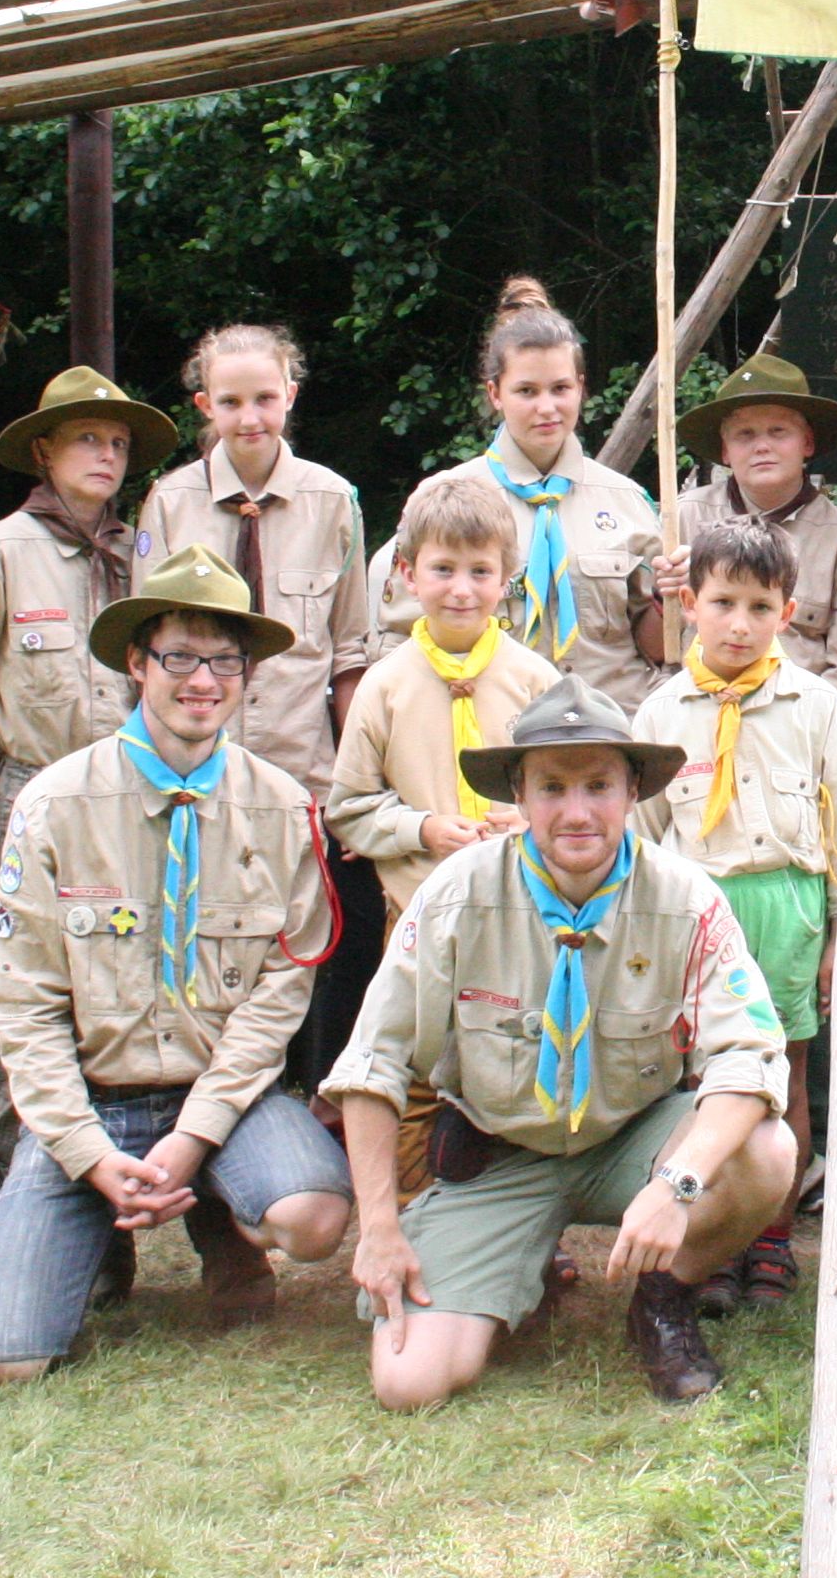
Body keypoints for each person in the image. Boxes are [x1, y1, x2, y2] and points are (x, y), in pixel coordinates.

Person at [326, 674, 799, 1410]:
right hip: (501, 1153)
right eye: (551, 787)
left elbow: (753, 1057)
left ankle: (663, 1298)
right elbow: (374, 1062)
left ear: (633, 791)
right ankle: (518, 1265)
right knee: (408, 1385)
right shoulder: (456, 896)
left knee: (766, 1152)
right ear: (518, 794)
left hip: (630, 1141)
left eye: (599, 786)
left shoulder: (685, 897)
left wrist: (677, 1188)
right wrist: (379, 1229)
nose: (576, 812)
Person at [0, 547, 353, 1380]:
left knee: (313, 1217)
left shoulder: (281, 809)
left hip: (224, 1098)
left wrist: (194, 1135)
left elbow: (283, 996)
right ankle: (95, 1227)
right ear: (137, 663)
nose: (202, 681)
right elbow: (24, 1006)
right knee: (5, 1365)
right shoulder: (55, 806)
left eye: (224, 660)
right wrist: (85, 1152)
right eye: (179, 656)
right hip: (95, 1103)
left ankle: (224, 1230)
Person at [0, 364, 182, 1223]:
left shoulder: (144, 554)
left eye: (118, 444)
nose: (106, 456)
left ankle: (120, 1138)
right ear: (43, 450)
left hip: (136, 792)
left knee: (128, 962)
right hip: (37, 790)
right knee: (34, 973)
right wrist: (1, 792)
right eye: (87, 438)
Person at [139, 322, 377, 1090]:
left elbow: (348, 650)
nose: (250, 418)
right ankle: (208, 1089)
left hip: (302, 776)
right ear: (205, 404)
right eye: (231, 402)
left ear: (291, 397)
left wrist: (353, 782)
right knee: (214, 940)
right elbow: (145, 654)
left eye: (266, 399)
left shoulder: (333, 500)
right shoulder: (169, 503)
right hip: (198, 776)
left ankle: (315, 1092)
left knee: (310, 938)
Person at [630, 515, 837, 1310]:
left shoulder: (817, 706)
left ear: (787, 613)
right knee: (709, 1078)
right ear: (689, 603)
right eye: (723, 602)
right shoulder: (660, 715)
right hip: (698, 919)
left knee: (784, 1071)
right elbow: (645, 840)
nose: (740, 624)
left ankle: (769, 1235)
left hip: (785, 909)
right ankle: (707, 1237)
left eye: (760, 607)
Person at [385, 280, 668, 709]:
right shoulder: (443, 500)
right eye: (526, 391)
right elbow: (399, 638)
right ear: (495, 394)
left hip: (610, 727)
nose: (547, 408)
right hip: (495, 729)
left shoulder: (627, 502)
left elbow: (657, 649)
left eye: (560, 389)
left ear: (581, 387)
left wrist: (670, 600)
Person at [328, 473, 563, 920]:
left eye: (480, 571)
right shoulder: (383, 686)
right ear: (408, 573)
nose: (461, 589)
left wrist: (532, 823)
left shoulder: (538, 682)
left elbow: (570, 789)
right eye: (443, 569)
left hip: (529, 910)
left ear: (506, 579)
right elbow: (349, 807)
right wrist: (422, 829)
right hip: (418, 914)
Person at [654, 351, 837, 697]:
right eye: (745, 434)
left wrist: (807, 723)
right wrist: (661, 591)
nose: (762, 446)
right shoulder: (684, 518)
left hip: (794, 722)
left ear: (807, 443)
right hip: (697, 710)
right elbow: (651, 647)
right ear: (725, 451)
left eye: (778, 432)